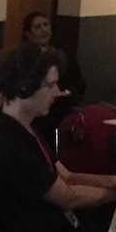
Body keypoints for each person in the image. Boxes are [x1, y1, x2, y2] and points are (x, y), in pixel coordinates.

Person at [0, 44, 116, 232]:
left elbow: (67, 176)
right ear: (24, 88)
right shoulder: (11, 144)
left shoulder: (26, 128)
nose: (58, 91)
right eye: (50, 85)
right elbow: (69, 198)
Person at [22, 9, 86, 144]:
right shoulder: (23, 58)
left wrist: (65, 93)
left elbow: (79, 83)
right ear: (28, 34)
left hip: (61, 106)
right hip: (35, 110)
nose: (43, 29)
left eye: (46, 25)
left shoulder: (64, 55)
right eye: (38, 27)